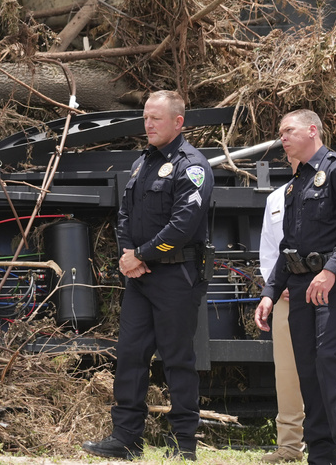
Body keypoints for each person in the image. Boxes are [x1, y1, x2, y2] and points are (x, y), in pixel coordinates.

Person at [82, 90, 214, 461]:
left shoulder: (192, 165)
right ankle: (126, 439)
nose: (148, 124)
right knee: (130, 356)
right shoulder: (143, 163)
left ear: (178, 122)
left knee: (177, 360)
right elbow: (125, 213)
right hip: (140, 278)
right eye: (145, 118)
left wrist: (140, 255)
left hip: (176, 276)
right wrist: (129, 256)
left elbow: (182, 226)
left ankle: (184, 444)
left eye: (156, 118)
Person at [254, 109, 336, 465]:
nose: (282, 138)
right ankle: (321, 455)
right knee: (307, 368)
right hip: (300, 285)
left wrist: (331, 270)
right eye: (281, 132)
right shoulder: (295, 184)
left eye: (288, 130)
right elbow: (287, 246)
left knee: (329, 360)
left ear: (312, 130)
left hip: (335, 286)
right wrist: (269, 293)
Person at [258, 157, 305, 463]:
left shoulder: (333, 189)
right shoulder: (276, 198)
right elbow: (268, 251)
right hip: (286, 299)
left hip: (325, 295)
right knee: (287, 375)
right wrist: (275, 287)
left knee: (333, 371)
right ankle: (289, 446)